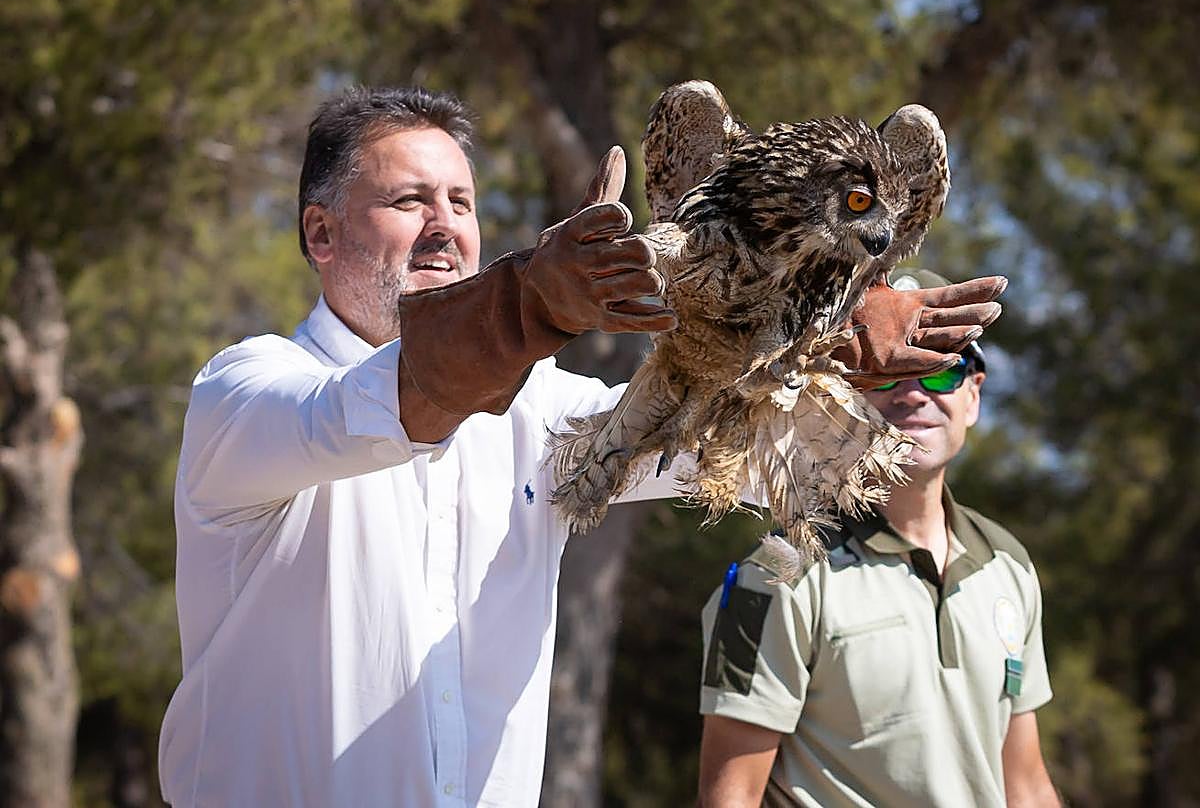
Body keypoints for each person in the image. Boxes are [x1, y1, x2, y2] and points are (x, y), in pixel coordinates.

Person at [157, 86, 1006, 807]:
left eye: (460, 202)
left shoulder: (537, 411)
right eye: (408, 201)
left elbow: (723, 449)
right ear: (320, 235)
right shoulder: (248, 396)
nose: (444, 227)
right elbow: (378, 409)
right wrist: (531, 306)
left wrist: (813, 347)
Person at [697, 269, 1059, 808]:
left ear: (973, 396)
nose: (913, 392)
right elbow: (729, 798)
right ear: (839, 397)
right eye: (881, 371)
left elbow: (1024, 784)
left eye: (940, 370)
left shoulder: (1007, 564)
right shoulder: (776, 575)